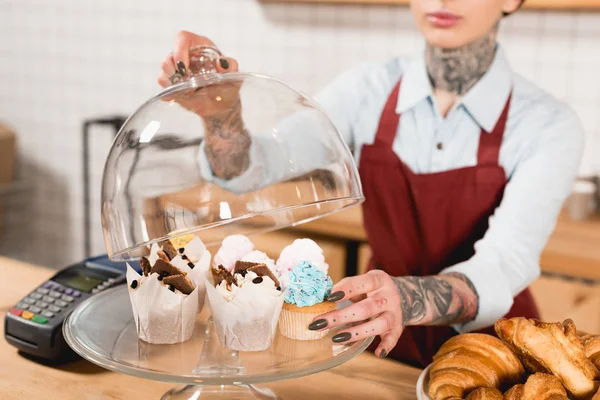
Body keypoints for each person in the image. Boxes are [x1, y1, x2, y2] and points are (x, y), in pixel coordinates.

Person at [157, 0, 584, 367]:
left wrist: (401, 297)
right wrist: (222, 115)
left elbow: (505, 262)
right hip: (372, 339)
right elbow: (249, 170)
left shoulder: (548, 124)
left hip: (494, 351)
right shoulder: (367, 89)